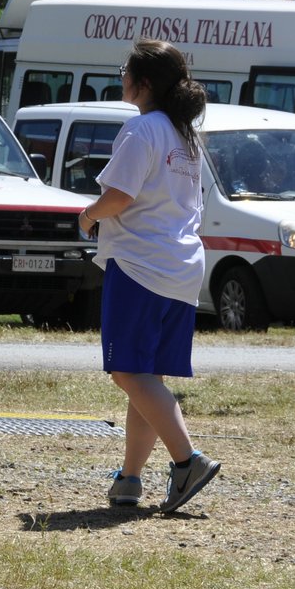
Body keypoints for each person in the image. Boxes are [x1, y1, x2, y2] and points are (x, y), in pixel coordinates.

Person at [77, 38, 219, 513]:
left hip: (140, 264)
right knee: (146, 375)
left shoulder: (143, 131)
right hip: (180, 266)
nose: (120, 77)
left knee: (127, 371)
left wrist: (89, 215)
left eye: (125, 71)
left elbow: (120, 196)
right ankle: (130, 479)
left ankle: (187, 462)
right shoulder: (184, 133)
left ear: (142, 83)